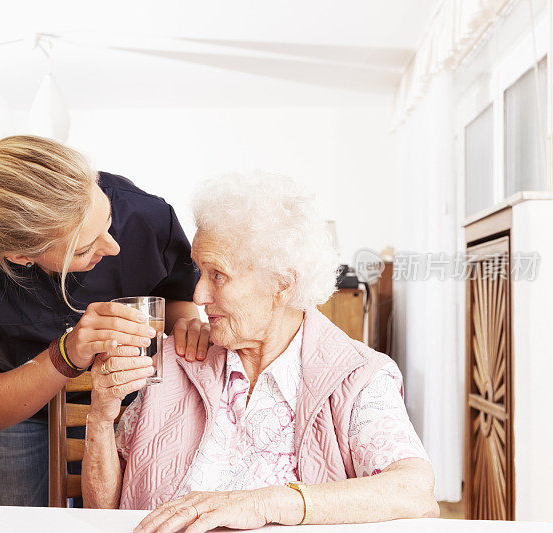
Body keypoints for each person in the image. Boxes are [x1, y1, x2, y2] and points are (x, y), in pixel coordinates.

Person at [82, 172, 439, 532]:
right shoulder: (176, 360)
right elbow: (105, 511)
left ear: (282, 285)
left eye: (218, 275)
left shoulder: (357, 376)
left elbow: (414, 491)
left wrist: (267, 502)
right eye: (199, 272)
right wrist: (100, 414)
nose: (198, 296)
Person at [0, 135, 209, 507]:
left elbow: (178, 294)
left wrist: (186, 322)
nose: (114, 247)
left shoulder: (145, 214)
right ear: (21, 256)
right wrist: (67, 355)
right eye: (86, 249)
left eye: (109, 221)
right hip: (16, 409)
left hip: (131, 402)